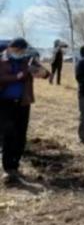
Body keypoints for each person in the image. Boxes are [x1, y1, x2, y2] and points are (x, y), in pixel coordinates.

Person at [0, 38, 49, 184]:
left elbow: (46, 73)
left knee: (21, 134)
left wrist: (42, 72)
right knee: (8, 133)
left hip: (22, 103)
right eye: (16, 51)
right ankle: (8, 168)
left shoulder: (28, 60)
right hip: (3, 103)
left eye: (22, 51)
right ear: (9, 48)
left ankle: (15, 163)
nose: (19, 54)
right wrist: (17, 76)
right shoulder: (1, 61)